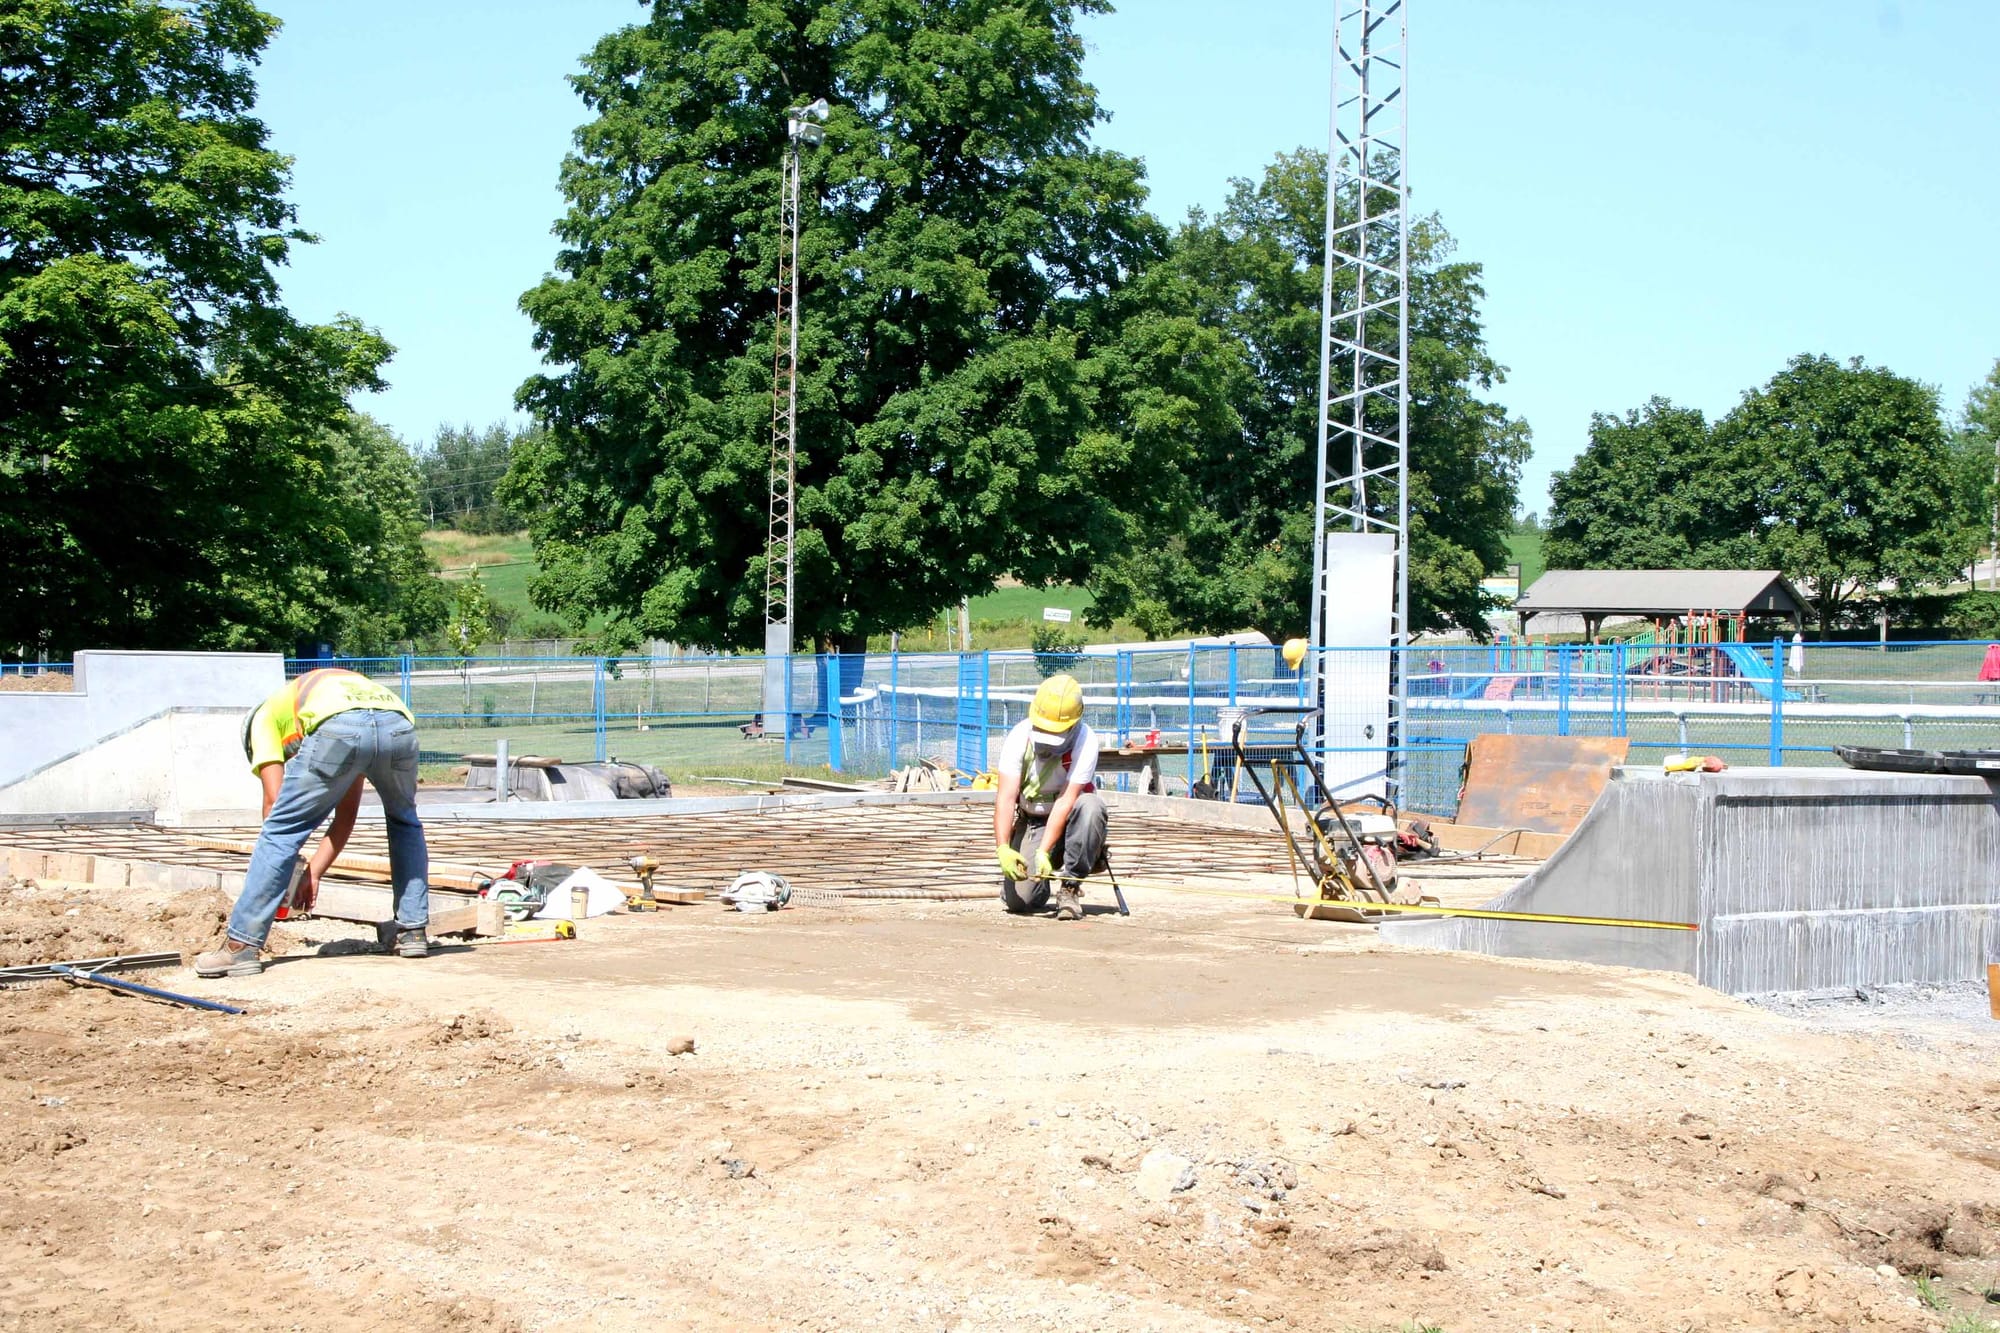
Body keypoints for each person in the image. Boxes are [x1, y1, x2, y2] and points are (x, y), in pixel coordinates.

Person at [194, 668, 431, 978]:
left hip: (339, 727)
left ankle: (241, 945)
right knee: (404, 821)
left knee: (280, 830)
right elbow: (346, 815)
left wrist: (285, 876)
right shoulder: (331, 691)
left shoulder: (262, 719)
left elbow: (275, 806)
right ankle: (412, 932)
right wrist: (313, 871)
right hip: (397, 724)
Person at [992, 673, 1105, 922]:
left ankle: (1070, 885)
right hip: (1033, 819)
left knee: (1091, 807)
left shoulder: (1085, 741)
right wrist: (1002, 848)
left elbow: (1066, 800)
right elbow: (1006, 798)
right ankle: (1035, 878)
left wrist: (1043, 850)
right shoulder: (1019, 737)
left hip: (1069, 820)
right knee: (1021, 902)